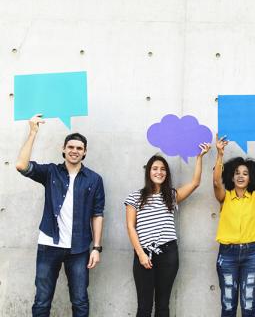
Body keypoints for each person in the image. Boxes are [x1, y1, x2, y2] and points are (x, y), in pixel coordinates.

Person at [15, 114, 105, 317]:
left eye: (79, 148)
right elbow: (21, 165)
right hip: (49, 244)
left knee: (80, 301)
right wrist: (33, 132)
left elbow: (97, 214)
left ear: (85, 152)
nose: (74, 151)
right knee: (42, 301)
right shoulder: (51, 172)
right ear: (63, 149)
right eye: (71, 147)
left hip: (79, 248)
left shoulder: (94, 179)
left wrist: (97, 248)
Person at [125, 144, 210, 317]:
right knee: (144, 306)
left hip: (168, 253)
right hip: (144, 253)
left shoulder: (171, 196)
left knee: (163, 305)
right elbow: (130, 226)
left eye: (163, 169)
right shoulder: (135, 197)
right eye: (155, 168)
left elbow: (195, 183)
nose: (159, 172)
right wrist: (140, 254)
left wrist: (200, 157)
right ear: (148, 172)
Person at [213, 134, 255, 317]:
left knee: (249, 306)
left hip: (251, 255)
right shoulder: (224, 198)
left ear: (250, 178)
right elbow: (216, 182)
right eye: (237, 173)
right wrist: (220, 154)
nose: (241, 176)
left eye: (245, 173)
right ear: (231, 177)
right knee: (228, 306)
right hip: (227, 255)